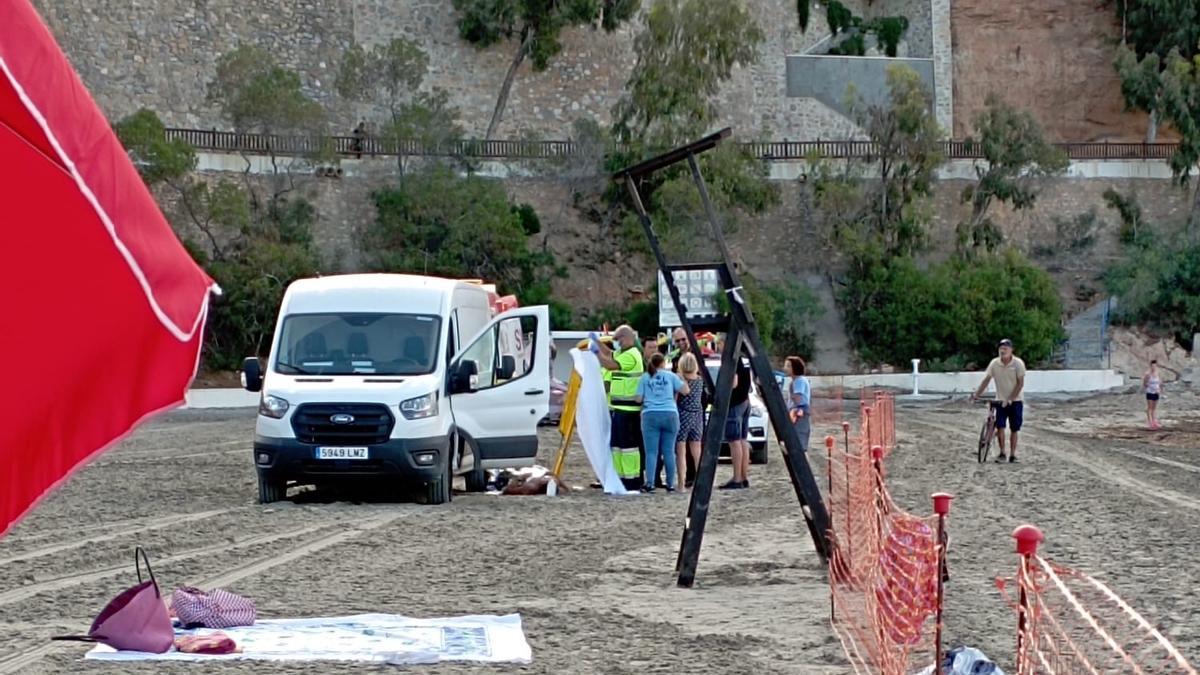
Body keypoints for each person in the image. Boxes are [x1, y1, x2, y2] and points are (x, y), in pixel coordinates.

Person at [596, 325, 645, 490]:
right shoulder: (623, 353)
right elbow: (610, 353)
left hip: (629, 411)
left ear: (627, 338)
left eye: (618, 340)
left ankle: (632, 480)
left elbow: (610, 364)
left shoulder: (631, 355)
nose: (616, 343)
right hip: (619, 409)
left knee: (628, 447)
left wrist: (596, 353)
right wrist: (597, 342)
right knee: (617, 446)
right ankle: (619, 478)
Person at [635, 353, 688, 493]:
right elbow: (685, 390)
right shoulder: (670, 376)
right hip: (670, 414)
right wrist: (681, 378)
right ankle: (670, 484)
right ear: (663, 363)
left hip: (650, 415)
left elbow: (639, 399)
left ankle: (650, 483)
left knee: (651, 452)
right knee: (669, 451)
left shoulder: (645, 377)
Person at [971, 338, 1026, 463]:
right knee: (1000, 426)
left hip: (1016, 401)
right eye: (1001, 348)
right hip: (1000, 400)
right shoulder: (994, 363)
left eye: (1006, 348)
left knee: (1014, 428)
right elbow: (986, 380)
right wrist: (977, 394)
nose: (1003, 350)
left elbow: (1020, 384)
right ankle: (1002, 453)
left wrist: (1011, 399)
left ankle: (1012, 455)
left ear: (1011, 350)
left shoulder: (1018, 364)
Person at [719, 351, 753, 490]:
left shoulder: (731, 359)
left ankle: (737, 478)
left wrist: (721, 389)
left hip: (734, 403)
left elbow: (733, 382)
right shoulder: (744, 359)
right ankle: (744, 477)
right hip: (745, 401)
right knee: (743, 440)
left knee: (734, 441)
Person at [674, 352, 704, 491]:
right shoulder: (699, 380)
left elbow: (677, 397)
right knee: (697, 452)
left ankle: (681, 484)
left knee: (681, 452)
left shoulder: (681, 380)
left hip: (683, 416)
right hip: (697, 416)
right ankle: (702, 481)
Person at [785, 356, 811, 452]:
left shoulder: (799, 381)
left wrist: (791, 391)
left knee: (799, 444)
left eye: (788, 366)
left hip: (799, 413)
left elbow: (798, 399)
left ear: (795, 368)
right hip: (797, 412)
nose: (785, 368)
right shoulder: (797, 381)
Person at [1143, 359, 1163, 429]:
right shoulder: (1147, 374)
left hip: (1156, 392)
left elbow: (1160, 382)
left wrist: (1160, 389)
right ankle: (1149, 422)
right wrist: (1151, 387)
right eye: (1152, 366)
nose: (1153, 368)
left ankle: (1154, 421)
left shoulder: (1158, 373)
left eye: (1155, 366)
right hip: (1150, 392)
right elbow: (1145, 384)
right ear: (1150, 366)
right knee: (1150, 407)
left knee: (1154, 408)